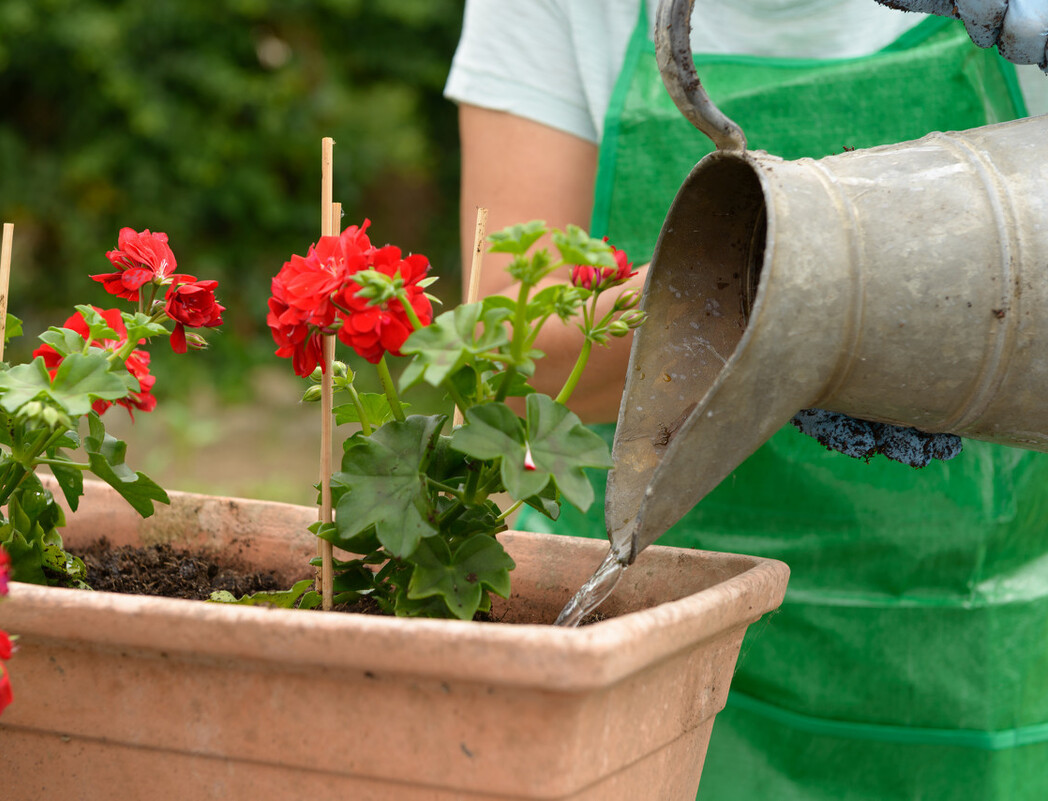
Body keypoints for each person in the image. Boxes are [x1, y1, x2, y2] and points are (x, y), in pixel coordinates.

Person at [445, 2, 1048, 800]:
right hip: (642, 637)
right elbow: (522, 352)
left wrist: (924, 295)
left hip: (956, 662)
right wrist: (786, 284)